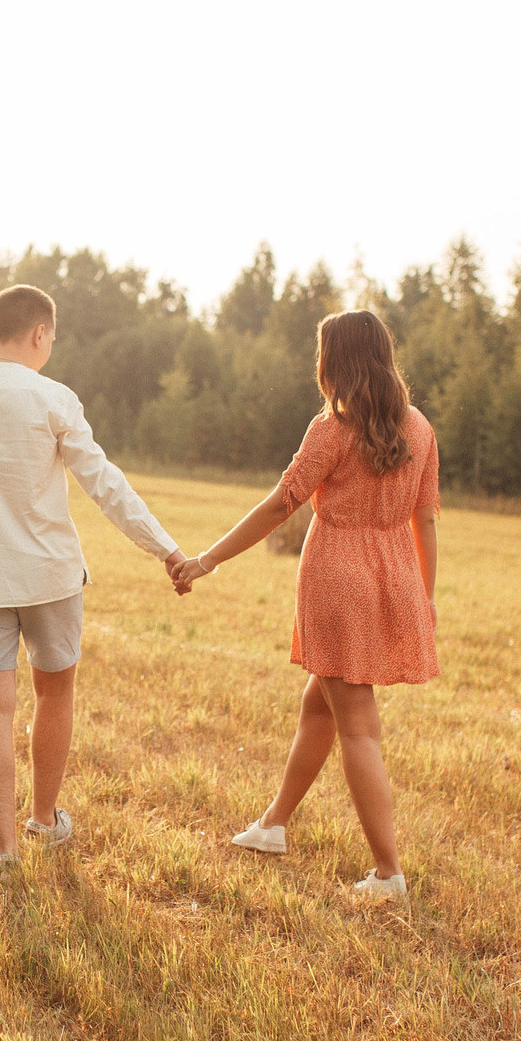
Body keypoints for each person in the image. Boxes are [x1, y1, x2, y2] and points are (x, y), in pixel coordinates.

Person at [0, 283, 191, 880]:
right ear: (40, 333)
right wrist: (164, 547)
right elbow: (105, 485)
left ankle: (5, 852)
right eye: (52, 338)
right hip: (50, 577)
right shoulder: (53, 398)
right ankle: (43, 819)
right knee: (54, 693)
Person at [172, 309, 439, 902]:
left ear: (332, 362)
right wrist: (425, 594)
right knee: (321, 704)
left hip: (337, 579)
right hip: (391, 575)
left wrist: (206, 559)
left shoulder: (332, 428)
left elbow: (279, 505)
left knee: (359, 725)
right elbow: (425, 518)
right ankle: (273, 825)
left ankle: (389, 873)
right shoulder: (419, 427)